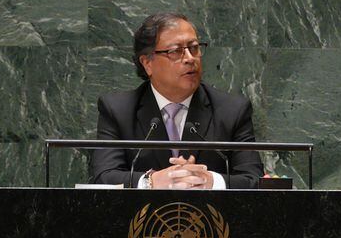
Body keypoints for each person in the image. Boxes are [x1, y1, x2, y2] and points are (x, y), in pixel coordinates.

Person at [90, 12, 263, 189]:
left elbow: (254, 179)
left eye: (194, 48)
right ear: (147, 63)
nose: (190, 58)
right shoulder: (118, 111)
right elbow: (103, 177)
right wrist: (152, 181)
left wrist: (210, 180)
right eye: (176, 51)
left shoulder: (232, 110)